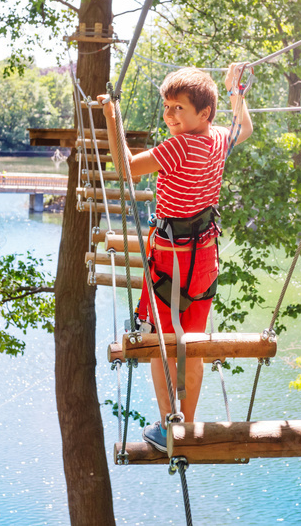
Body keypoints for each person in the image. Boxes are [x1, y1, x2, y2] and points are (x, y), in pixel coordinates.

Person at [98, 62, 253, 452]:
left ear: (203, 113)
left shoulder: (180, 146)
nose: (169, 116)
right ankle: (188, 421)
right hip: (204, 259)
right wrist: (236, 91)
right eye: (166, 107)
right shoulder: (217, 138)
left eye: (178, 108)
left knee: (161, 341)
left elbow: (125, 168)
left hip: (170, 261)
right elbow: (244, 128)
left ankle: (171, 427)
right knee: (194, 344)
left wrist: (112, 119)